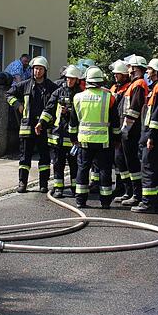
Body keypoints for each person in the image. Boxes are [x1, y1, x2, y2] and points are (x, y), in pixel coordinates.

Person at [7, 55, 57, 192]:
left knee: (45, 158)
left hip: (44, 128)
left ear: (45, 70)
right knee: (24, 158)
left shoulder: (52, 87)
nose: (37, 72)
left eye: (40, 69)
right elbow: (8, 94)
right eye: (35, 69)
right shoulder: (25, 85)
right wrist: (17, 104)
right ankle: (22, 183)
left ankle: (43, 184)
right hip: (27, 127)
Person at [70, 66, 118, 209]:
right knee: (104, 170)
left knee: (83, 169)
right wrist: (116, 138)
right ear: (100, 81)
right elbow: (115, 122)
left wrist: (73, 138)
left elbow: (73, 122)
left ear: (87, 81)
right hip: (104, 141)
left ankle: (80, 200)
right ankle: (105, 202)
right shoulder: (109, 97)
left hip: (84, 140)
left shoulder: (78, 97)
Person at [133, 58, 158, 214]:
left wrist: (151, 136)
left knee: (148, 169)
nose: (147, 72)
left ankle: (148, 203)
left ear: (156, 72)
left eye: (149, 69)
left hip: (155, 137)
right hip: (157, 136)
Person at [39, 65, 83, 198]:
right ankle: (58, 188)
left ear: (77, 80)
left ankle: (75, 187)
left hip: (72, 137)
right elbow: (49, 109)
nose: (69, 81)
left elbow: (82, 115)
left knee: (74, 164)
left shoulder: (80, 95)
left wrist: (69, 112)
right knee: (58, 164)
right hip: (57, 135)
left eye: (72, 79)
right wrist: (41, 122)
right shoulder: (57, 93)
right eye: (68, 78)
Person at [117, 55, 149, 207]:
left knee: (133, 163)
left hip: (132, 131)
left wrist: (125, 128)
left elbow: (134, 110)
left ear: (136, 69)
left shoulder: (139, 84)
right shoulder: (133, 84)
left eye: (130, 67)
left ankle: (136, 194)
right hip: (127, 130)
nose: (128, 69)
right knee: (123, 161)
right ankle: (128, 191)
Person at [109, 60, 131, 199]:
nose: (116, 76)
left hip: (122, 126)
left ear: (124, 75)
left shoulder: (128, 88)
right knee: (116, 160)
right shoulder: (114, 87)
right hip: (112, 127)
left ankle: (126, 188)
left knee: (122, 160)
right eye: (115, 74)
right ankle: (119, 186)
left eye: (118, 74)